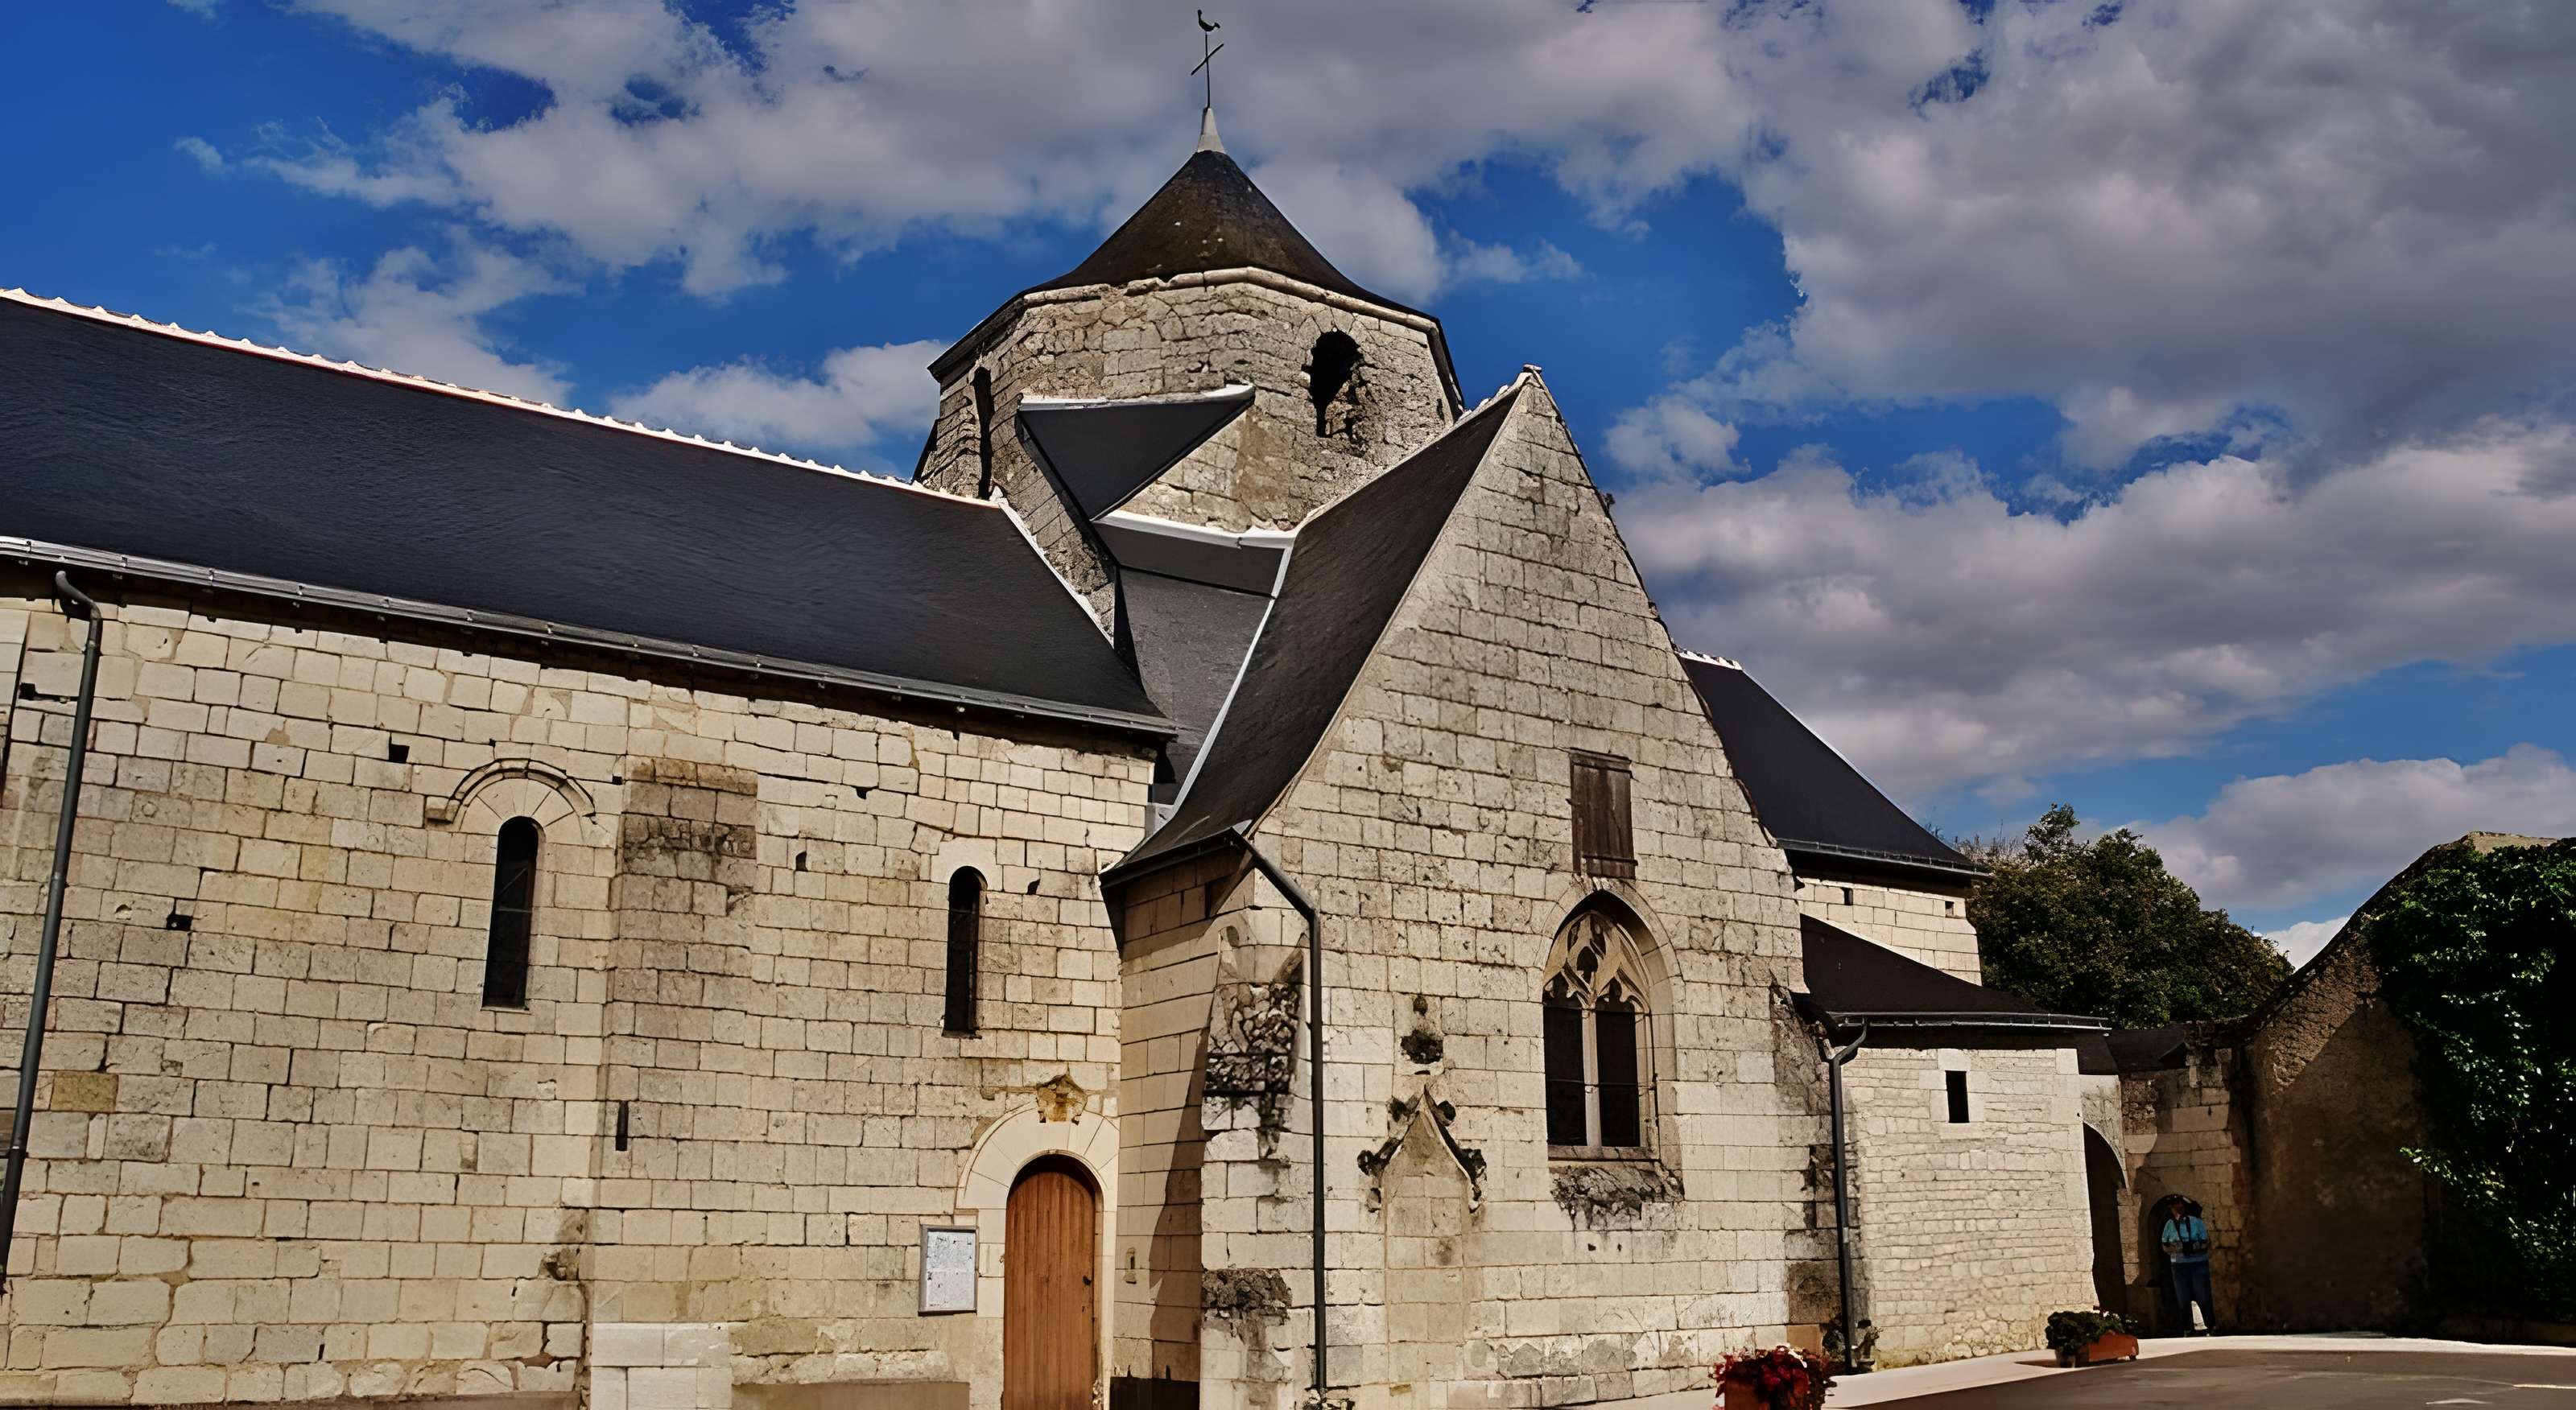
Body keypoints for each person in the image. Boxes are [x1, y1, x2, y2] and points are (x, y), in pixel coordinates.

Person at [2158, 1194, 2217, 1334]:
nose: (2176, 1209)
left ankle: (2210, 1325)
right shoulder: (2170, 1224)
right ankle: (2187, 1328)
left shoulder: (2196, 1222)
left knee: (2203, 1296)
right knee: (2182, 1298)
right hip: (2178, 1265)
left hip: (2198, 1263)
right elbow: (2164, 1244)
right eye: (2174, 1207)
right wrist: (2180, 1248)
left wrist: (2191, 1247)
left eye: (2178, 1206)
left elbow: (2205, 1242)